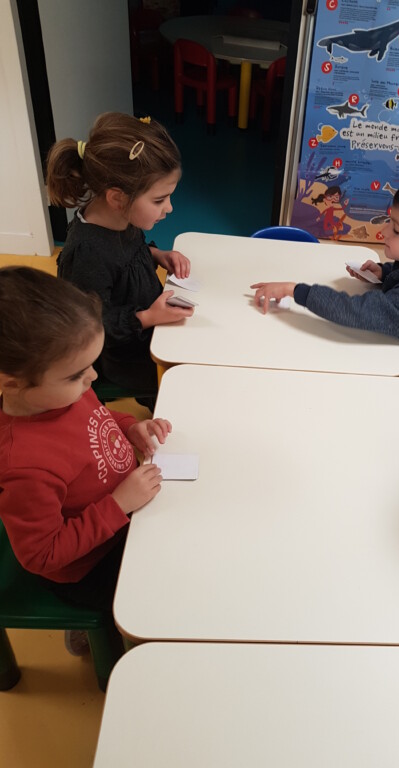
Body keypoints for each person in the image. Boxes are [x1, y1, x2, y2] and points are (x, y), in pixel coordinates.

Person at [0, 267, 171, 647]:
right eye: (77, 374)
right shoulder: (26, 466)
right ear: (11, 382)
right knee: (154, 604)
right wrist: (118, 504)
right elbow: (42, 555)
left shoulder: (63, 394)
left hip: (125, 517)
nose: (92, 378)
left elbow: (97, 418)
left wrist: (130, 427)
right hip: (90, 564)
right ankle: (91, 635)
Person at [251, 177, 399, 399]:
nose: (385, 231)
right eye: (390, 221)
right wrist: (385, 272)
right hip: (396, 358)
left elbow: (353, 310)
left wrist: (294, 290)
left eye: (396, 230)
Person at [46, 112, 195, 410]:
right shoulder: (86, 253)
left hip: (148, 326)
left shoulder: (120, 217)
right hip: (124, 354)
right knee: (184, 376)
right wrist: (148, 317)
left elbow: (127, 254)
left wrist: (157, 255)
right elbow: (89, 327)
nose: (169, 208)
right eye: (159, 200)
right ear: (117, 198)